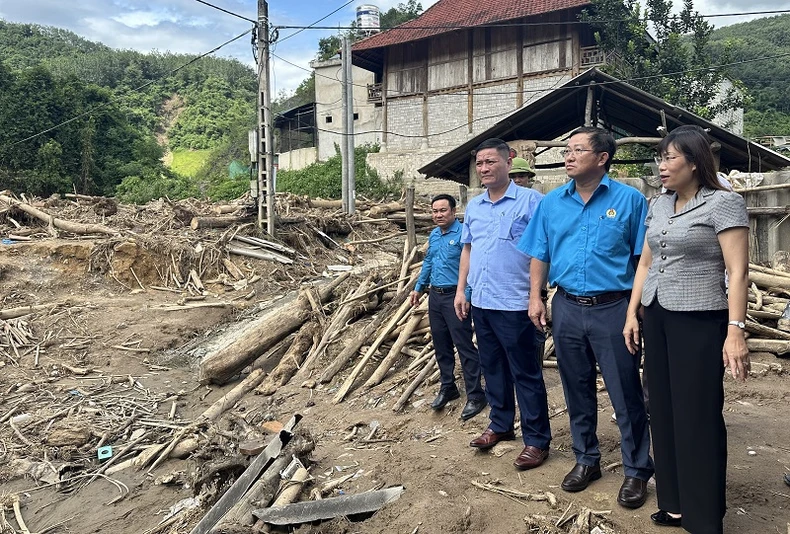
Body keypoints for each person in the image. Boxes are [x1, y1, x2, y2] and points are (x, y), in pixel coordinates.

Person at [623, 125, 749, 532]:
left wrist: (735, 330)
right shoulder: (658, 205)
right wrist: (631, 313)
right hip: (656, 315)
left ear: (695, 162)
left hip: (699, 319)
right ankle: (674, 502)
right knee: (662, 410)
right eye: (660, 157)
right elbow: (644, 263)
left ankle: (703, 515)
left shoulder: (723, 204)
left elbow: (738, 271)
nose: (661, 165)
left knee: (697, 415)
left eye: (670, 157)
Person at [520, 126, 654, 509]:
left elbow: (640, 260)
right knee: (575, 387)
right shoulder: (551, 203)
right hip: (566, 307)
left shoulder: (629, 201)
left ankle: (636, 469)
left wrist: (635, 309)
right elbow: (539, 254)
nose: (568, 156)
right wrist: (536, 297)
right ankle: (586, 459)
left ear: (602, 158)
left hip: (613, 308)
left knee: (625, 391)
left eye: (577, 150)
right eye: (567, 150)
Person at [453, 138, 552, 471]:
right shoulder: (475, 207)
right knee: (492, 366)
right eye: (479, 163)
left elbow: (543, 250)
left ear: (509, 162)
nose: (484, 168)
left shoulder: (531, 202)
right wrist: (461, 290)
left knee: (525, 372)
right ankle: (500, 424)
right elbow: (468, 250)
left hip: (516, 302)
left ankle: (537, 440)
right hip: (482, 300)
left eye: (490, 162)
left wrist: (537, 296)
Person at [410, 194, 487, 420]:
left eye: (443, 210)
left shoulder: (464, 234)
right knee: (441, 344)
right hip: (436, 296)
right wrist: (418, 286)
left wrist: (467, 295)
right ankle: (448, 386)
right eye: (435, 211)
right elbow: (429, 262)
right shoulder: (434, 235)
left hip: (456, 296)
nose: (438, 215)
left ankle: (475, 395)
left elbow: (472, 265)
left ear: (454, 212)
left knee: (464, 345)